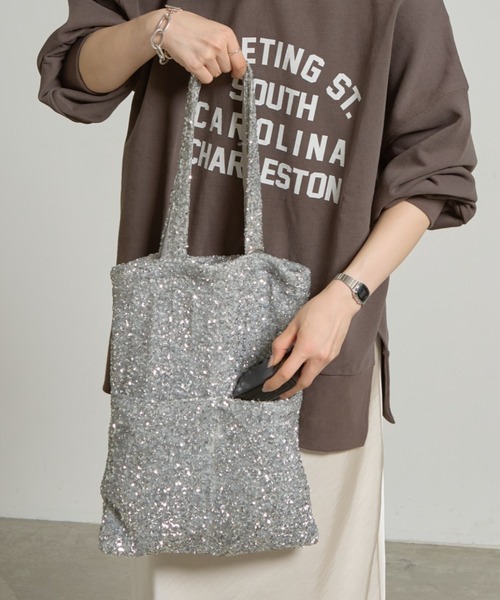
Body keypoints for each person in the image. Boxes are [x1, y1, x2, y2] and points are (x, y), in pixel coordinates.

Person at [38, 1, 477, 598]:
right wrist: (156, 29)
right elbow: (74, 75)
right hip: (178, 355)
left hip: (314, 349)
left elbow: (436, 168)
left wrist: (346, 296)